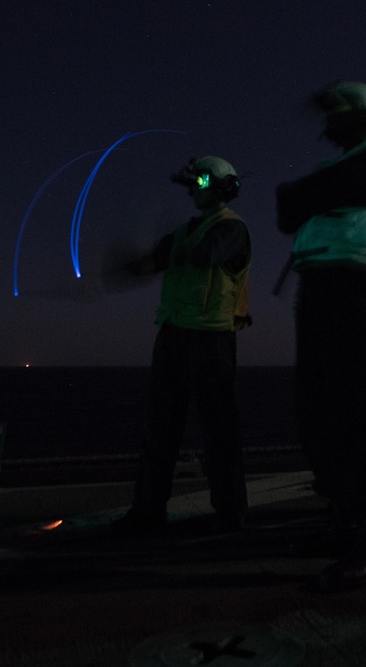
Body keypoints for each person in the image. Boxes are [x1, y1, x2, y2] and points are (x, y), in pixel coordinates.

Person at [276, 81, 366, 591]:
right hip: (320, 291)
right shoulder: (344, 170)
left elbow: (291, 203)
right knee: (319, 415)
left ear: (363, 116)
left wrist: (303, 196)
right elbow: (289, 211)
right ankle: (345, 522)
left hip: (352, 291)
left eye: (338, 112)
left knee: (357, 417)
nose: (328, 122)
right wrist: (304, 197)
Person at [113, 155, 252, 535]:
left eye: (202, 183)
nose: (194, 189)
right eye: (193, 183)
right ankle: (148, 510)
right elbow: (152, 263)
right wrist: (126, 269)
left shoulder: (231, 229)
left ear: (222, 186)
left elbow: (206, 255)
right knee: (160, 428)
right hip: (173, 335)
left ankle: (230, 514)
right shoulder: (187, 231)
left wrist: (160, 255)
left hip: (211, 338)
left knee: (219, 431)